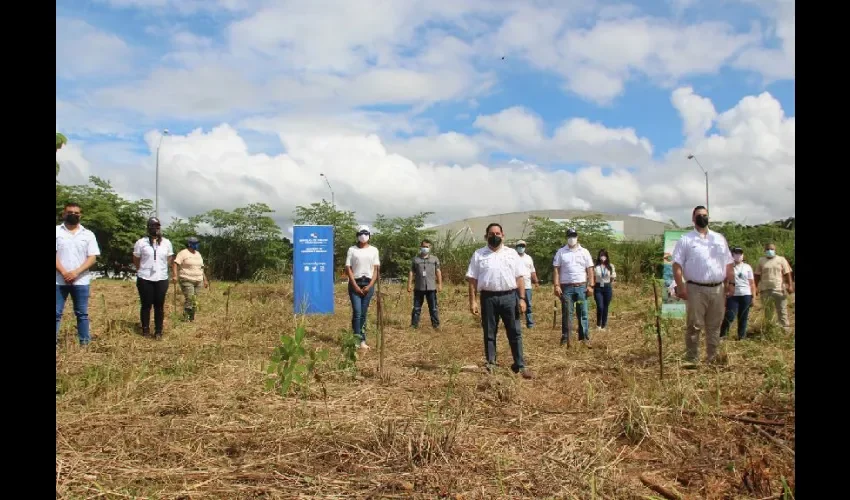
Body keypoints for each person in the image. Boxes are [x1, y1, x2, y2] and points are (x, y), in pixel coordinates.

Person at [466, 223, 533, 379]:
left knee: (515, 332)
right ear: (486, 236)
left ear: (503, 235)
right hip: (488, 298)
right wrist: (473, 301)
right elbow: (472, 280)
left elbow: (520, 277)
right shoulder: (478, 254)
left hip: (510, 297)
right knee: (489, 332)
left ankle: (520, 365)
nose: (494, 236)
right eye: (491, 233)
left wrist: (522, 299)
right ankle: (491, 364)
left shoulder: (512, 254)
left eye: (497, 233)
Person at [671, 206, 735, 364]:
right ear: (693, 219)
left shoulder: (719, 239)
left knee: (714, 326)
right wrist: (680, 286)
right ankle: (692, 360)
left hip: (718, 288)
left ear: (709, 218)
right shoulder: (686, 239)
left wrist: (731, 283)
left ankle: (712, 359)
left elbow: (728, 264)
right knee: (694, 325)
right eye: (699, 215)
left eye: (705, 215)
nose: (702, 217)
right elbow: (677, 265)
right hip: (695, 289)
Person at [56, 202, 101, 347]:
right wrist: (64, 272)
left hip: (81, 281)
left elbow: (92, 257)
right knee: (56, 314)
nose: (73, 215)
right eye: (70, 212)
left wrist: (75, 272)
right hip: (58, 281)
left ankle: (84, 343)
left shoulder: (88, 234)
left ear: (80, 215)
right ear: (64, 214)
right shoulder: (57, 231)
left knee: (82, 314)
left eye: (76, 213)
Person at [133, 217, 174, 339]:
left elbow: (169, 258)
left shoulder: (166, 242)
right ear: (148, 227)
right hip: (145, 278)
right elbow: (136, 258)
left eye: (157, 226)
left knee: (159, 305)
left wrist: (161, 267)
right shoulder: (141, 242)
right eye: (152, 226)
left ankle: (158, 331)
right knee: (146, 304)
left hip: (161, 278)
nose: (155, 228)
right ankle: (145, 329)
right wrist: (141, 268)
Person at [553, 227, 595, 347]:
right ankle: (566, 338)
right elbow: (556, 269)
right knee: (567, 313)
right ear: (567, 238)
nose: (572, 238)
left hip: (581, 287)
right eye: (570, 236)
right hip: (566, 288)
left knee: (583, 313)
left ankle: (584, 338)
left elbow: (590, 269)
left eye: (574, 236)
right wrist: (556, 285)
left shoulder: (584, 252)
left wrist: (591, 285)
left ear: (577, 237)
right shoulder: (561, 252)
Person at [345, 225, 380, 349]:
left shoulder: (374, 250)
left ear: (369, 235)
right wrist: (354, 285)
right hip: (355, 283)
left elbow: (376, 269)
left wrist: (370, 285)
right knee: (357, 312)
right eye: (361, 233)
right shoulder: (352, 249)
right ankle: (356, 339)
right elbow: (348, 268)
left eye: (366, 233)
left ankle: (362, 341)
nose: (363, 235)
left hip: (368, 284)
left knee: (364, 313)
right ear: (357, 235)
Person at [754, 242, 794, 329]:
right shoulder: (761, 260)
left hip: (779, 289)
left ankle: (785, 330)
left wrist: (790, 286)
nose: (770, 251)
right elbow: (757, 275)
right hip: (765, 290)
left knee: (782, 310)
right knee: (768, 312)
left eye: (772, 249)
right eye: (767, 249)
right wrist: (755, 287)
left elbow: (787, 273)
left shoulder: (781, 259)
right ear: (764, 250)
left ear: (775, 250)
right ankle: (770, 330)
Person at [172, 236, 209, 322]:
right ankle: (186, 318)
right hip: (187, 279)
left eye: (197, 243)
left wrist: (205, 279)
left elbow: (201, 268)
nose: (196, 245)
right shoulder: (183, 253)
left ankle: (191, 318)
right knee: (190, 298)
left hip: (198, 280)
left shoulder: (198, 254)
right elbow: (175, 263)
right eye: (195, 243)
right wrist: (175, 275)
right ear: (189, 244)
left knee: (194, 300)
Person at [721, 247, 755, 340]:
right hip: (733, 295)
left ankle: (741, 337)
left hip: (746, 294)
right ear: (732, 255)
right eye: (736, 253)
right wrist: (725, 293)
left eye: (740, 253)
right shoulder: (728, 267)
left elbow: (751, 283)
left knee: (743, 316)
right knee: (729, 316)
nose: (738, 255)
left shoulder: (748, 267)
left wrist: (753, 297)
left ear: (743, 255)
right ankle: (723, 335)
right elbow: (725, 281)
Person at [408, 239, 442, 329]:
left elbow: (438, 271)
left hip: (431, 287)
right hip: (419, 288)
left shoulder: (434, 259)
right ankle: (414, 326)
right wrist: (409, 284)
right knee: (416, 308)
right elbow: (411, 272)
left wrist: (440, 284)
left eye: (427, 247)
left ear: (430, 247)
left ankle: (436, 325)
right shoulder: (415, 259)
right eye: (423, 246)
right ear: (420, 247)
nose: (425, 248)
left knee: (433, 308)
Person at [514, 240, 538, 329]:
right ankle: (517, 324)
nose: (521, 247)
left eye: (523, 246)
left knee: (529, 305)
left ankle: (530, 324)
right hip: (515, 286)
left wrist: (536, 281)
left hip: (527, 286)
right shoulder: (513, 257)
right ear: (516, 247)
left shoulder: (528, 258)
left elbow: (532, 271)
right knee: (515, 306)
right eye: (519, 245)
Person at [593, 249, 617, 331]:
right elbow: (593, 277)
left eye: (604, 255)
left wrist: (609, 283)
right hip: (598, 287)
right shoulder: (596, 267)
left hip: (607, 287)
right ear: (599, 257)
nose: (603, 257)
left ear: (607, 256)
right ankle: (598, 325)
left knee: (606, 307)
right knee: (600, 306)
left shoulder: (611, 266)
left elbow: (613, 277)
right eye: (601, 255)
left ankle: (604, 325)